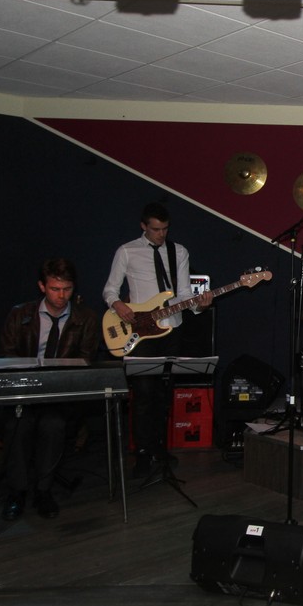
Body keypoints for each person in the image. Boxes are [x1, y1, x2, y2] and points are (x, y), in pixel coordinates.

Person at [103, 202, 212, 478]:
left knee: (163, 393)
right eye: (155, 229)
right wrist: (118, 305)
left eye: (165, 229)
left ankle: (159, 448)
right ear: (143, 226)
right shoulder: (127, 251)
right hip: (139, 331)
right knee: (142, 394)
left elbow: (184, 293)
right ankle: (142, 452)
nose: (161, 234)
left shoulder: (179, 252)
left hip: (171, 328)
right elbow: (109, 290)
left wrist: (200, 306)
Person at [0, 258, 101, 519]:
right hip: (25, 393)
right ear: (42, 287)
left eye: (67, 289)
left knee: (53, 425)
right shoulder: (20, 315)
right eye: (55, 289)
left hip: (60, 396)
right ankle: (17, 491)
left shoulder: (86, 318)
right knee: (19, 425)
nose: (61, 295)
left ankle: (44, 491)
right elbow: (8, 356)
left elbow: (86, 360)